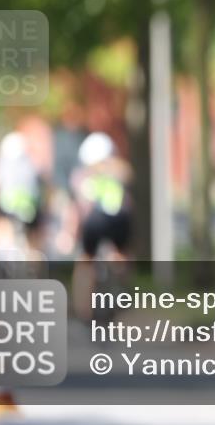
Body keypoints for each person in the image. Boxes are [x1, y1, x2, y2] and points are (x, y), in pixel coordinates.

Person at [70, 131, 133, 321]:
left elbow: (79, 208)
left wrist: (72, 232)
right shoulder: (119, 170)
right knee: (121, 254)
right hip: (119, 219)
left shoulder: (82, 175)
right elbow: (128, 200)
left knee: (86, 262)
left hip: (94, 220)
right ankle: (121, 286)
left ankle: (83, 308)